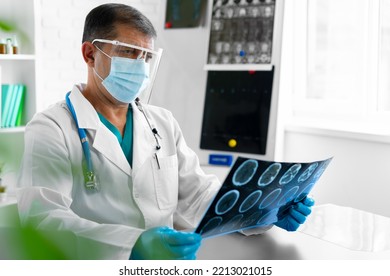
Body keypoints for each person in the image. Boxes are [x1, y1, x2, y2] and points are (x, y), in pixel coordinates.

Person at [16, 3, 314, 260]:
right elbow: (43, 221)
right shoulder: (51, 129)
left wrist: (265, 211)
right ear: (90, 54)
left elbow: (198, 195)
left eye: (146, 57)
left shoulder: (161, 122)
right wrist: (132, 245)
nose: (140, 67)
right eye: (128, 52)